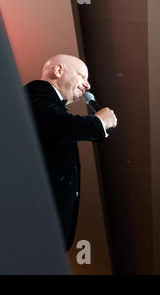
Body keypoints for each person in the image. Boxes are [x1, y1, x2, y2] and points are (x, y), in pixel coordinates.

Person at [24, 54, 117, 251]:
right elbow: (57, 126)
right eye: (82, 76)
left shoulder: (52, 106)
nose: (88, 85)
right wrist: (98, 123)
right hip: (32, 221)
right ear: (59, 71)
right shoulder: (35, 93)